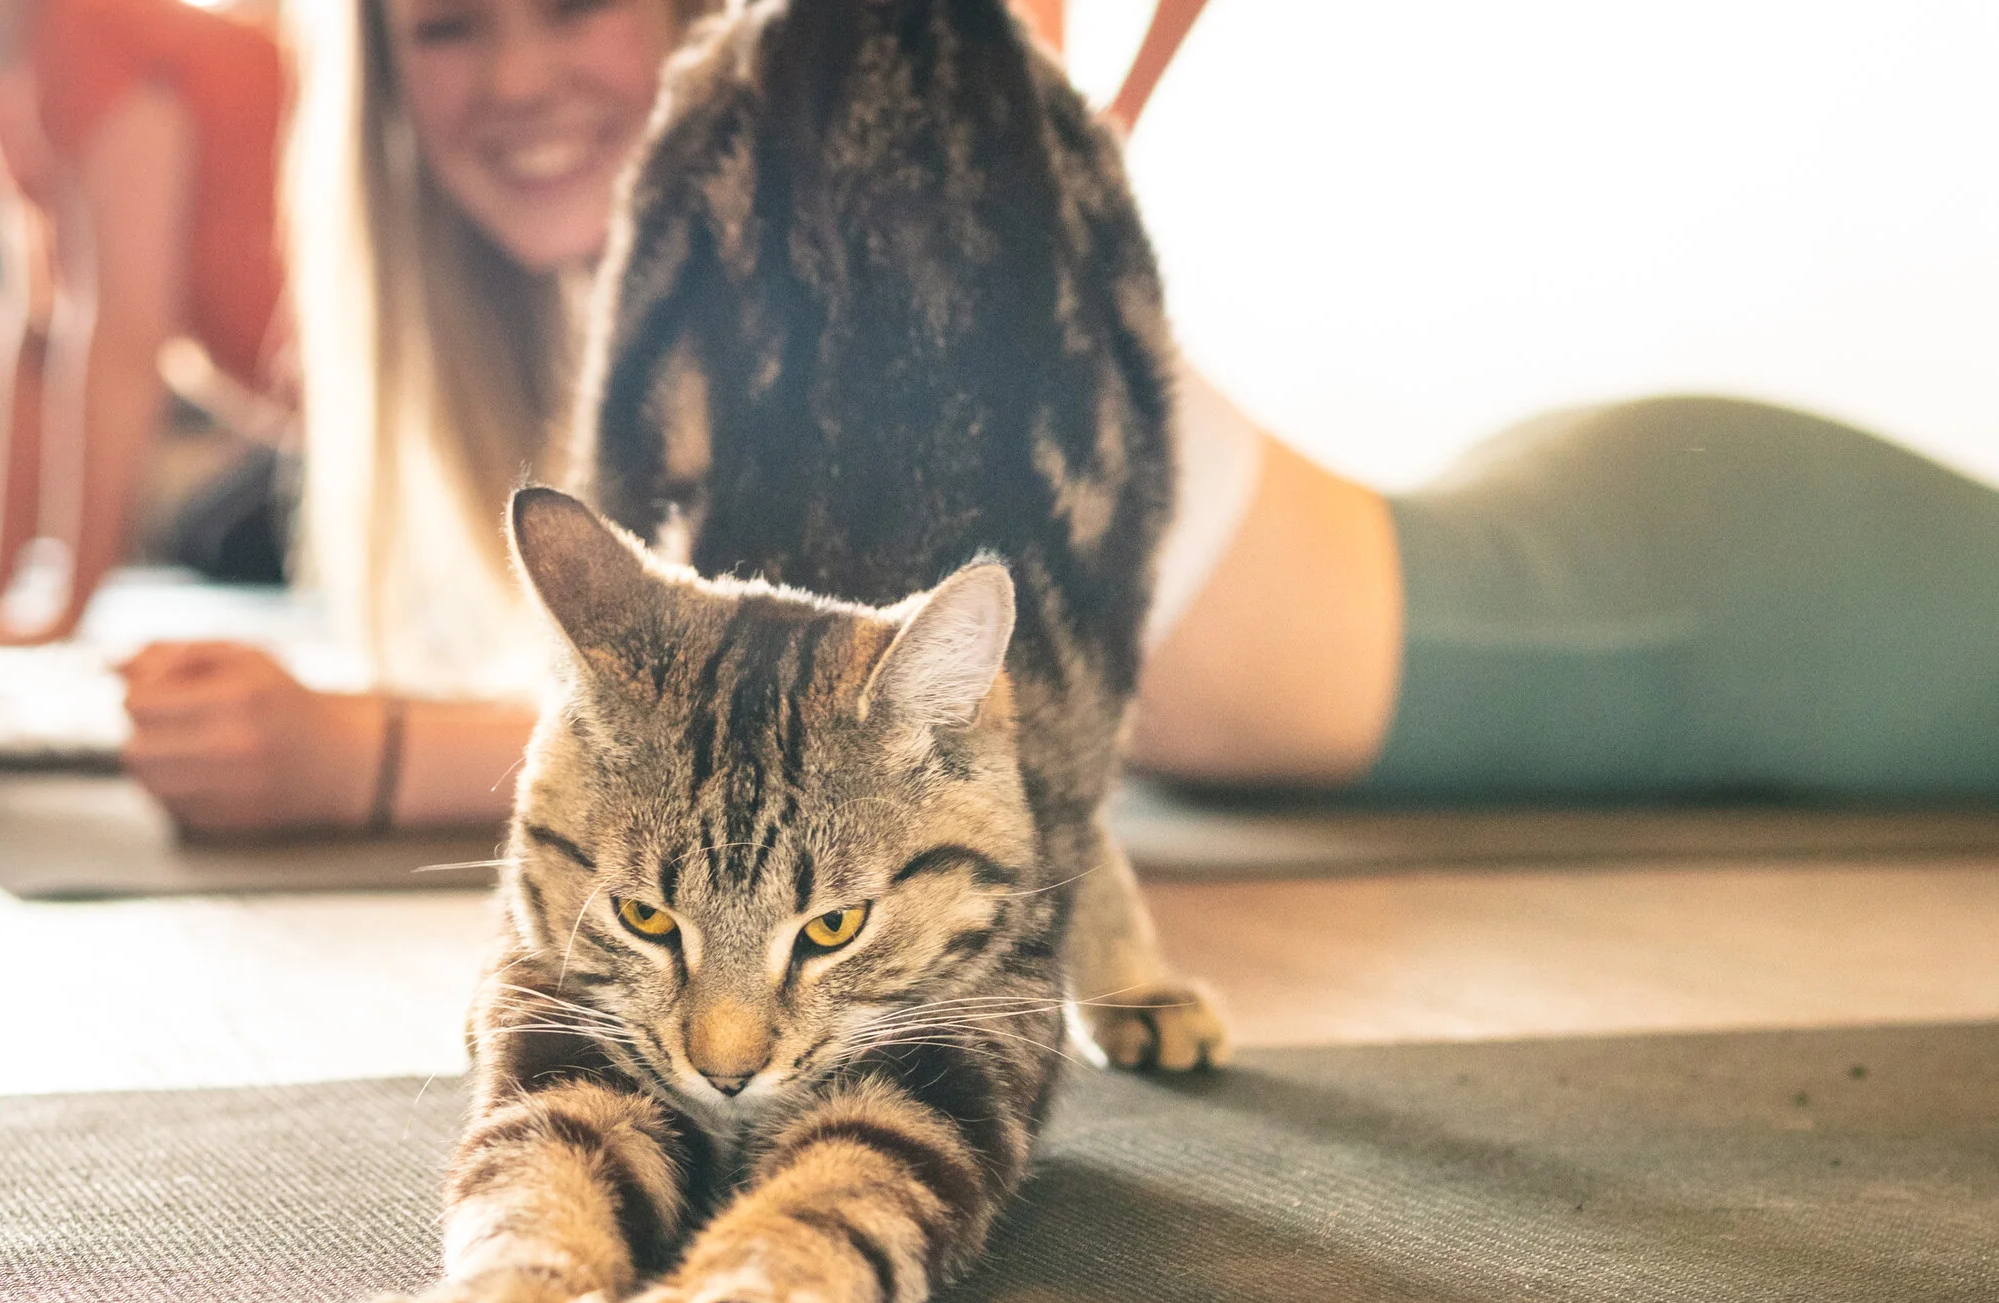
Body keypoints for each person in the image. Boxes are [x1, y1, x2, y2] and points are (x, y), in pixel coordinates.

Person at [122, 0, 1999, 836]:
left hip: (1709, 592)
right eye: (448, 25)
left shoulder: (858, 215)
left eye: (573, 3)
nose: (516, 75)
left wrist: (362, 759)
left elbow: (824, 739)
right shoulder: (658, 327)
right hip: (1570, 534)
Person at [0, 0, 293, 646]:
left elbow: (123, 335)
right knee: (213, 538)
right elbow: (30, 326)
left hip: (374, 400)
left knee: (224, 544)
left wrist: (70, 606)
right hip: (296, 421)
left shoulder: (90, 25)